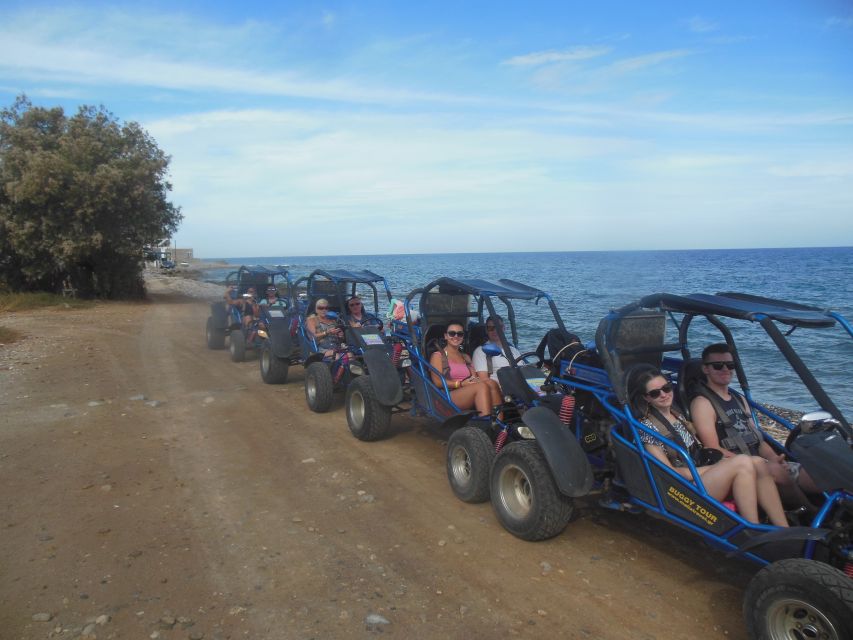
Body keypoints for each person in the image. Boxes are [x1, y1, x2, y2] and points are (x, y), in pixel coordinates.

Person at [634, 368, 788, 527]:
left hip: (699, 475)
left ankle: (783, 527)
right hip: (682, 491)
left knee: (757, 462)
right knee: (742, 462)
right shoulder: (647, 429)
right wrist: (713, 467)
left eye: (666, 388)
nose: (664, 395)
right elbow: (671, 473)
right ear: (647, 398)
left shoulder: (677, 415)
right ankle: (753, 527)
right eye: (655, 393)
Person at [690, 343, 819, 510]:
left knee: (817, 475)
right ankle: (810, 512)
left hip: (761, 460)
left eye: (730, 365)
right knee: (777, 472)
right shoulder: (702, 403)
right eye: (717, 365)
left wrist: (775, 459)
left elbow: (758, 439)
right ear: (705, 369)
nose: (725, 369)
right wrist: (759, 463)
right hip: (737, 466)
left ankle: (838, 507)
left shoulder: (738, 399)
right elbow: (712, 448)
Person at [429, 322, 502, 417]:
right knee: (481, 387)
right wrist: (460, 384)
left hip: (467, 391)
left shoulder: (465, 357)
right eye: (452, 333)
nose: (456, 336)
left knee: (491, 383)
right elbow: (438, 382)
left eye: (460, 334)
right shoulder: (438, 356)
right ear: (446, 336)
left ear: (463, 337)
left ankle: (499, 425)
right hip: (447, 394)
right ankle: (486, 424)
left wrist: (477, 380)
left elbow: (474, 377)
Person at [472, 315, 522, 383]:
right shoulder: (481, 351)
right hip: (498, 389)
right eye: (491, 328)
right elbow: (484, 380)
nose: (495, 331)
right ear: (486, 330)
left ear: (504, 328)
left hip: (518, 386)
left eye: (498, 327)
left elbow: (522, 372)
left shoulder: (513, 350)